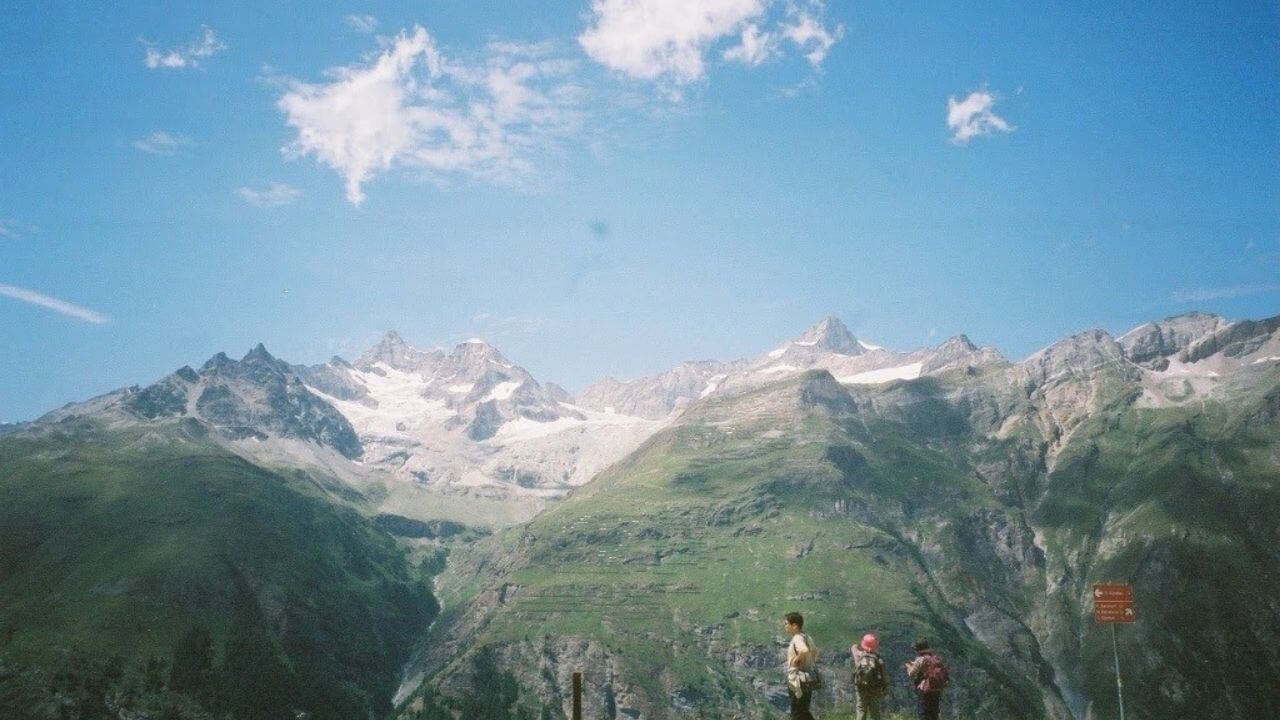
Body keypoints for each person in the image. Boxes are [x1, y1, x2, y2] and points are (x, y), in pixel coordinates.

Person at [783, 611, 819, 720]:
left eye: (786, 623)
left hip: (798, 680)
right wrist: (809, 662)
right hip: (807, 679)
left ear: (794, 625)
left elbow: (804, 650)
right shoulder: (807, 637)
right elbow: (816, 652)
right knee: (803, 711)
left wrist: (796, 660)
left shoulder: (797, 638)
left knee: (796, 713)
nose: (784, 626)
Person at [904, 638, 947, 720]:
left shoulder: (920, 659)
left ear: (918, 649)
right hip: (936, 689)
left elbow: (911, 673)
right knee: (934, 714)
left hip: (924, 689)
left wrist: (908, 666)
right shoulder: (934, 658)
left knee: (923, 713)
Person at [850, 633, 888, 720]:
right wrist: (885, 688)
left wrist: (857, 645)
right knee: (875, 711)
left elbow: (854, 648)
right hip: (875, 688)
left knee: (861, 709)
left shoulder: (859, 655)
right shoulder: (878, 658)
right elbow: (884, 675)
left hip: (861, 687)